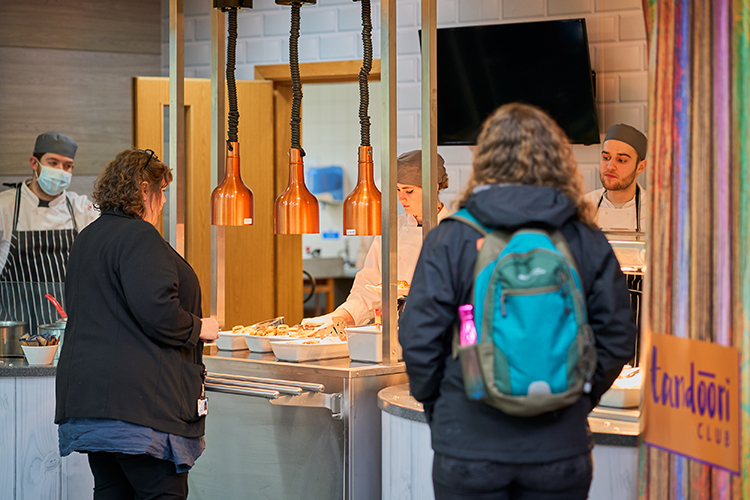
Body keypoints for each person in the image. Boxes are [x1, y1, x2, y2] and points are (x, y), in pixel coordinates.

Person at [399, 103, 636, 499]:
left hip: (468, 446)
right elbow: (617, 336)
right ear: (558, 160)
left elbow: (418, 339)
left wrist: (444, 409)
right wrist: (577, 399)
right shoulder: (584, 238)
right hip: (559, 448)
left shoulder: (451, 237)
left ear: (485, 160)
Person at [55, 149, 219, 499]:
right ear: (145, 190)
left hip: (89, 408)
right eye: (162, 192)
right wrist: (201, 326)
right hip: (139, 414)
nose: (162, 204)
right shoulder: (140, 237)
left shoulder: (88, 238)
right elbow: (159, 313)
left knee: (113, 493)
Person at [308, 150, 452, 327]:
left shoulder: (455, 230)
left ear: (434, 187)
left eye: (409, 191)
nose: (401, 198)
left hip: (438, 331)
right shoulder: (393, 229)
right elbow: (368, 287)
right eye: (398, 190)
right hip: (392, 331)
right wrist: (336, 317)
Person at [0, 131, 98, 336]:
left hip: (68, 331)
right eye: (53, 163)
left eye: (67, 165)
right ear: (34, 163)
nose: (60, 170)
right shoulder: (5, 206)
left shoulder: (82, 208)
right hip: (15, 334)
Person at [584, 123, 648, 232]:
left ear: (640, 167)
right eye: (606, 157)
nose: (610, 166)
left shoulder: (656, 212)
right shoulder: (583, 206)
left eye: (621, 160)